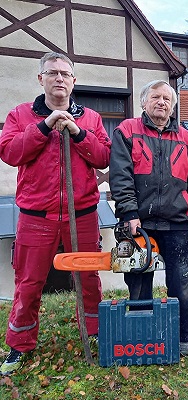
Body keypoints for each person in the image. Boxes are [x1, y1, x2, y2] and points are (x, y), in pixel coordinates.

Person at [0, 52, 111, 376]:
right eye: (52, 73)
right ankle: (19, 345)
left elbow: (103, 156)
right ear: (41, 79)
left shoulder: (90, 118)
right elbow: (10, 152)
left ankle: (94, 334)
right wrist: (45, 126)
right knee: (29, 281)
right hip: (37, 215)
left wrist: (77, 133)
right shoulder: (21, 115)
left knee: (88, 278)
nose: (59, 78)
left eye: (65, 73)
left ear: (74, 81)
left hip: (83, 213)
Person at [109, 80, 188, 356]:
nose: (161, 102)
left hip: (178, 222)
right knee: (138, 279)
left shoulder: (187, 139)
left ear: (173, 105)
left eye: (166, 98)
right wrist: (128, 212)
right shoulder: (127, 131)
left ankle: (183, 335)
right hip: (138, 221)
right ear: (143, 102)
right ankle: (143, 331)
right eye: (155, 97)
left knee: (182, 281)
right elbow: (120, 175)